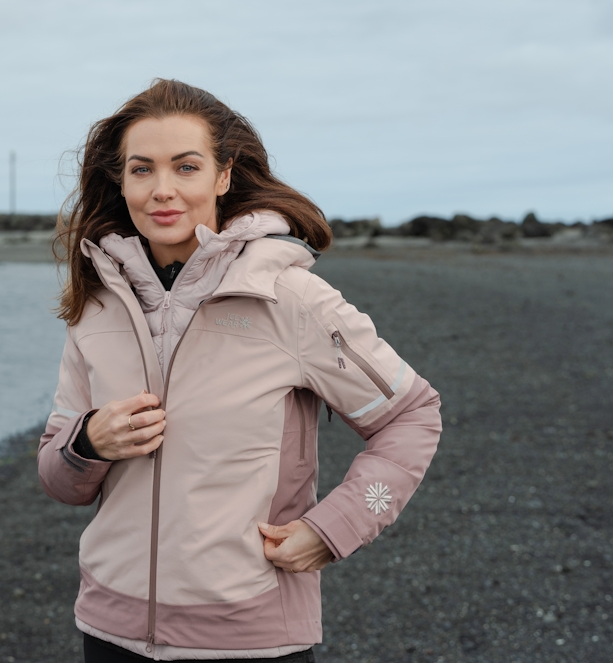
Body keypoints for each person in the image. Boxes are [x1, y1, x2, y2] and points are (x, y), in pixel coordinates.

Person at [38, 79, 442, 662]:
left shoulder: (291, 297)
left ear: (223, 176)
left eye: (186, 166)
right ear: (120, 181)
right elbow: (58, 478)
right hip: (109, 631)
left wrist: (338, 527)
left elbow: (412, 416)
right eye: (142, 170)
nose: (162, 190)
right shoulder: (98, 309)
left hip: (250, 637)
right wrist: (89, 442)